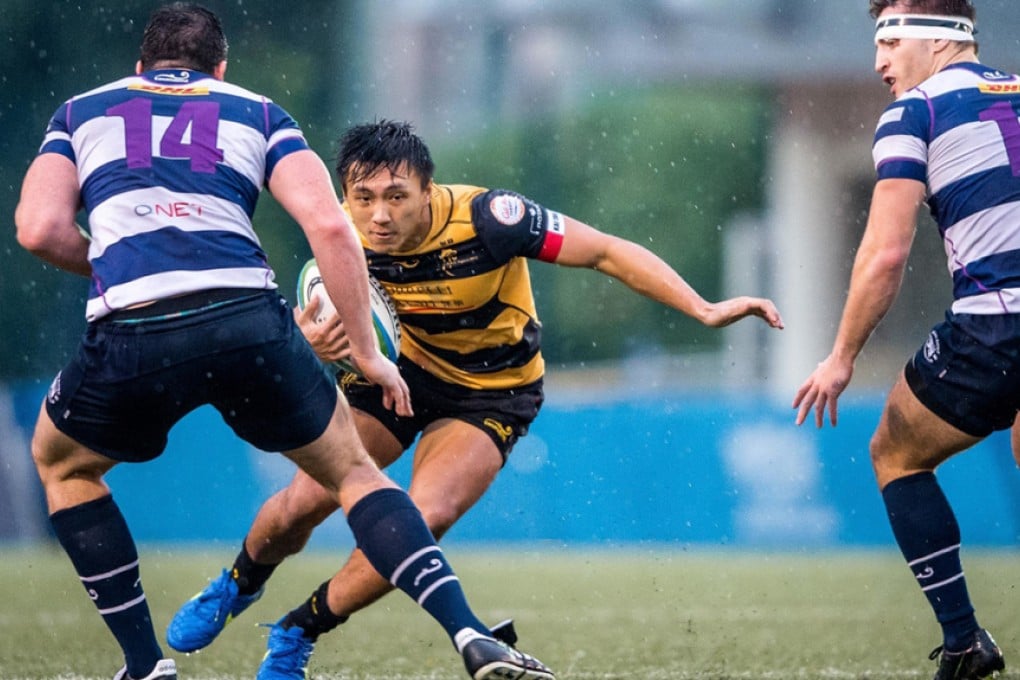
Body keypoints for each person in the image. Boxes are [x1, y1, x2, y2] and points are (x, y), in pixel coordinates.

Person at [14, 5, 553, 680]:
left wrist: (123, 261)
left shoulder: (80, 111)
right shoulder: (258, 111)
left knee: (63, 465)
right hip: (247, 316)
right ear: (220, 69)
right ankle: (469, 632)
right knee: (356, 474)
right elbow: (330, 228)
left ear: (141, 68)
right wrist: (366, 352)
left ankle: (144, 664)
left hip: (135, 327)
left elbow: (37, 229)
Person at [166, 120, 785, 669]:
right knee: (303, 502)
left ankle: (300, 628)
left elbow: (605, 252)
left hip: (491, 392)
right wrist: (314, 344)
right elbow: (302, 332)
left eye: (395, 197)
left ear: (428, 192)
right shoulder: (340, 240)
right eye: (363, 198)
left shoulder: (492, 219)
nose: (379, 215)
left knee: (424, 515)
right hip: (392, 378)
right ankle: (237, 583)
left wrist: (703, 309)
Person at [793, 1, 1016, 678]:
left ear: (937, 40)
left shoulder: (913, 112)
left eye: (888, 40)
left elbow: (885, 255)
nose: (879, 61)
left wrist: (841, 357)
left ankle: (964, 642)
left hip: (997, 322)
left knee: (895, 450)